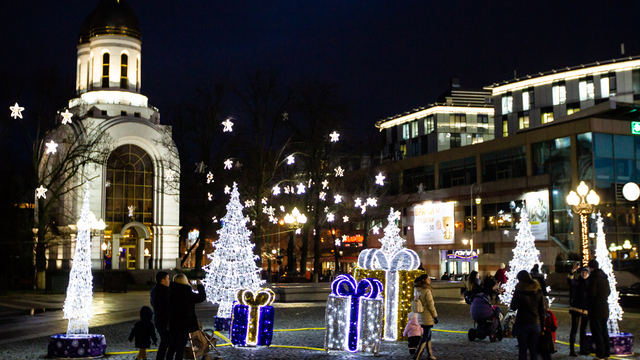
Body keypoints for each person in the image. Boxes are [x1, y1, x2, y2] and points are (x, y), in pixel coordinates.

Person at [166, 274, 206, 360]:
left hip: (173, 322)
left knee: (172, 346)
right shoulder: (187, 292)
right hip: (184, 324)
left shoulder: (170, 291)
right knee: (181, 347)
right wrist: (200, 286)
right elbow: (201, 297)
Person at [510, 270, 545, 360]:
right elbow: (541, 310)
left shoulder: (519, 290)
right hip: (535, 323)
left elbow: (513, 307)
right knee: (534, 350)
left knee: (522, 349)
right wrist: (543, 325)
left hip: (522, 322)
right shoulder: (538, 290)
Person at [587, 259, 611, 360]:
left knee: (597, 333)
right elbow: (608, 292)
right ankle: (606, 353)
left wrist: (586, 295)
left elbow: (591, 293)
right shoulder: (604, 278)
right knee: (604, 332)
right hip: (605, 309)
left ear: (590, 268)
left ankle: (600, 354)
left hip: (595, 310)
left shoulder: (593, 278)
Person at [411, 274, 438, 360]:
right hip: (427, 315)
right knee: (426, 336)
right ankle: (417, 355)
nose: (429, 280)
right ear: (424, 280)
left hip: (421, 315)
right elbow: (431, 305)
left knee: (428, 335)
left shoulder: (417, 290)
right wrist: (435, 316)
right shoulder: (427, 291)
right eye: (428, 279)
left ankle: (430, 354)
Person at [567, 265, 589, 357]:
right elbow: (570, 281)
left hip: (586, 310)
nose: (584, 274)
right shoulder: (577, 281)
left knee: (583, 330)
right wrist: (572, 271)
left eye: (586, 272)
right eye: (583, 272)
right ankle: (572, 350)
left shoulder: (590, 282)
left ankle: (582, 349)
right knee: (574, 329)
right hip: (576, 308)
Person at [150, 271, 171, 360]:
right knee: (166, 341)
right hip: (165, 320)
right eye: (168, 278)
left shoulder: (154, 290)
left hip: (158, 319)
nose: (169, 280)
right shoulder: (166, 291)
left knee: (165, 341)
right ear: (163, 280)